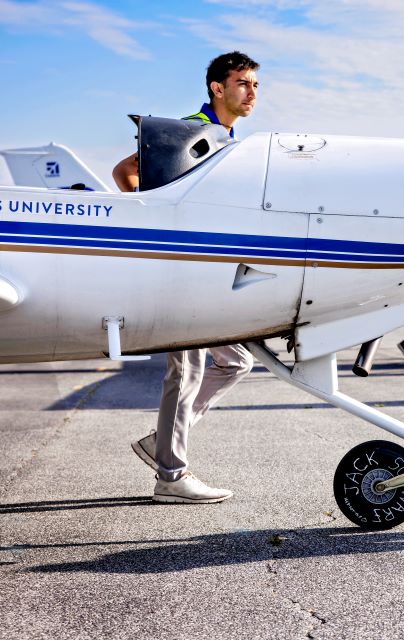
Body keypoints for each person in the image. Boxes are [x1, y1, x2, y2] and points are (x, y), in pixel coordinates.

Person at [115, 51, 261, 504]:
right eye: (242, 83)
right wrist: (156, 226)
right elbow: (126, 173)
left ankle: (160, 443)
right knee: (188, 368)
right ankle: (171, 475)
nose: (252, 92)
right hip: (180, 268)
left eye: (255, 84)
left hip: (205, 272)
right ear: (217, 88)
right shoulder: (191, 131)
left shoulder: (230, 137)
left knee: (236, 361)